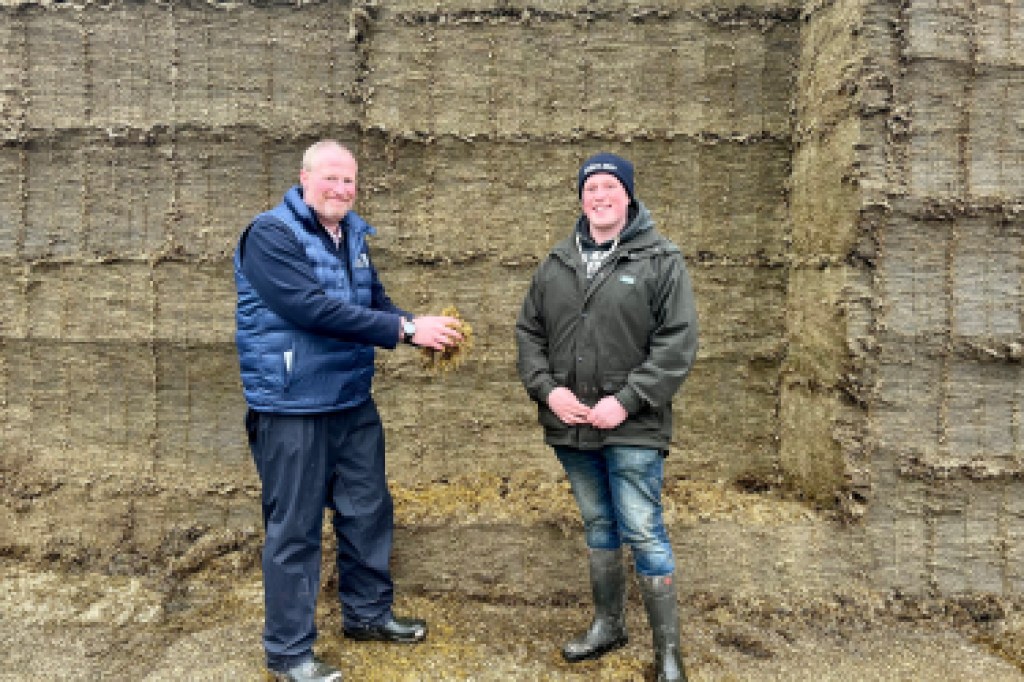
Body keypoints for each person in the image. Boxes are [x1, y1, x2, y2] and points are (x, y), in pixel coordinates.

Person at [234, 139, 462, 682]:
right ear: (304, 178)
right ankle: (289, 654)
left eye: (349, 181)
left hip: (351, 400)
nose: (341, 189)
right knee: (295, 528)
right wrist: (405, 330)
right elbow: (308, 308)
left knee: (367, 510)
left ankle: (367, 615)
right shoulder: (269, 234)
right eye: (331, 178)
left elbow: (372, 303)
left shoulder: (352, 235)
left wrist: (421, 329)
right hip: (292, 405)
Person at [515, 152, 699, 682]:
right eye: (591, 188)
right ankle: (608, 625)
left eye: (610, 188)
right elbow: (529, 334)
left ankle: (668, 654)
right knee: (599, 522)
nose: (600, 196)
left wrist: (628, 398)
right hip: (571, 424)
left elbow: (677, 343)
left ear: (629, 196)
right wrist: (549, 392)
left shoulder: (661, 260)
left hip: (634, 424)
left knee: (642, 528)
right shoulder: (556, 264)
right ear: (580, 198)